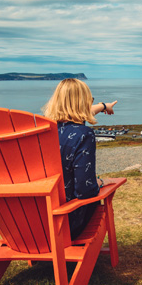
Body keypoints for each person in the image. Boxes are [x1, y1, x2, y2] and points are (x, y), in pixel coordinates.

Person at [42, 78, 116, 239]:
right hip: (66, 223)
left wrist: (104, 106)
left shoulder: (42, 132)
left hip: (36, 222)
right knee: (100, 196)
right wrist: (100, 182)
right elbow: (85, 191)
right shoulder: (83, 135)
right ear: (83, 103)